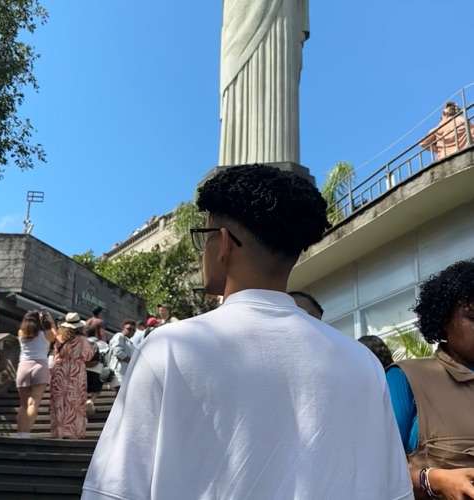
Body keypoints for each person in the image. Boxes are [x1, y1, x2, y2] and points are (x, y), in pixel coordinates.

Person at [82, 165, 412, 500]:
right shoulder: (363, 364)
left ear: (223, 243)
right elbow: (395, 492)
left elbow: (112, 491)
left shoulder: (170, 348)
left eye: (204, 237)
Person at [386, 259, 474, 499]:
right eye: (473, 317)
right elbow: (373, 466)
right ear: (444, 320)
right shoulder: (406, 379)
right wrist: (433, 480)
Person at [219, 1, 309, 165]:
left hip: (282, 15)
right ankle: (235, 156)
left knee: (279, 74)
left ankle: (278, 153)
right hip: (237, 14)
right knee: (235, 75)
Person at [50, 312, 95, 439]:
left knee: (59, 401)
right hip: (77, 370)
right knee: (76, 402)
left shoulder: (59, 338)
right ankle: (74, 431)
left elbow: (56, 353)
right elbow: (88, 356)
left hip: (60, 370)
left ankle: (58, 431)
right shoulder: (83, 340)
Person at [16, 310, 57, 438]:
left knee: (23, 404)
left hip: (23, 366)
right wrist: (51, 323)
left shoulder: (21, 333)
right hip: (40, 365)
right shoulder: (46, 334)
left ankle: (20, 432)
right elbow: (56, 337)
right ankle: (26, 432)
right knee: (33, 403)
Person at [84, 325, 109, 417]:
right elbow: (106, 356)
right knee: (96, 389)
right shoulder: (102, 343)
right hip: (97, 369)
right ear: (95, 333)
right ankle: (91, 400)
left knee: (84, 388)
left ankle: (84, 402)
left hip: (84, 368)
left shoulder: (82, 343)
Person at [107, 319, 135, 393]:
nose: (131, 332)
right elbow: (118, 351)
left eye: (133, 330)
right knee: (121, 394)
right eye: (129, 329)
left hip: (126, 372)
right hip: (118, 372)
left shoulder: (130, 342)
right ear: (123, 328)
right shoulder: (119, 336)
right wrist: (131, 361)